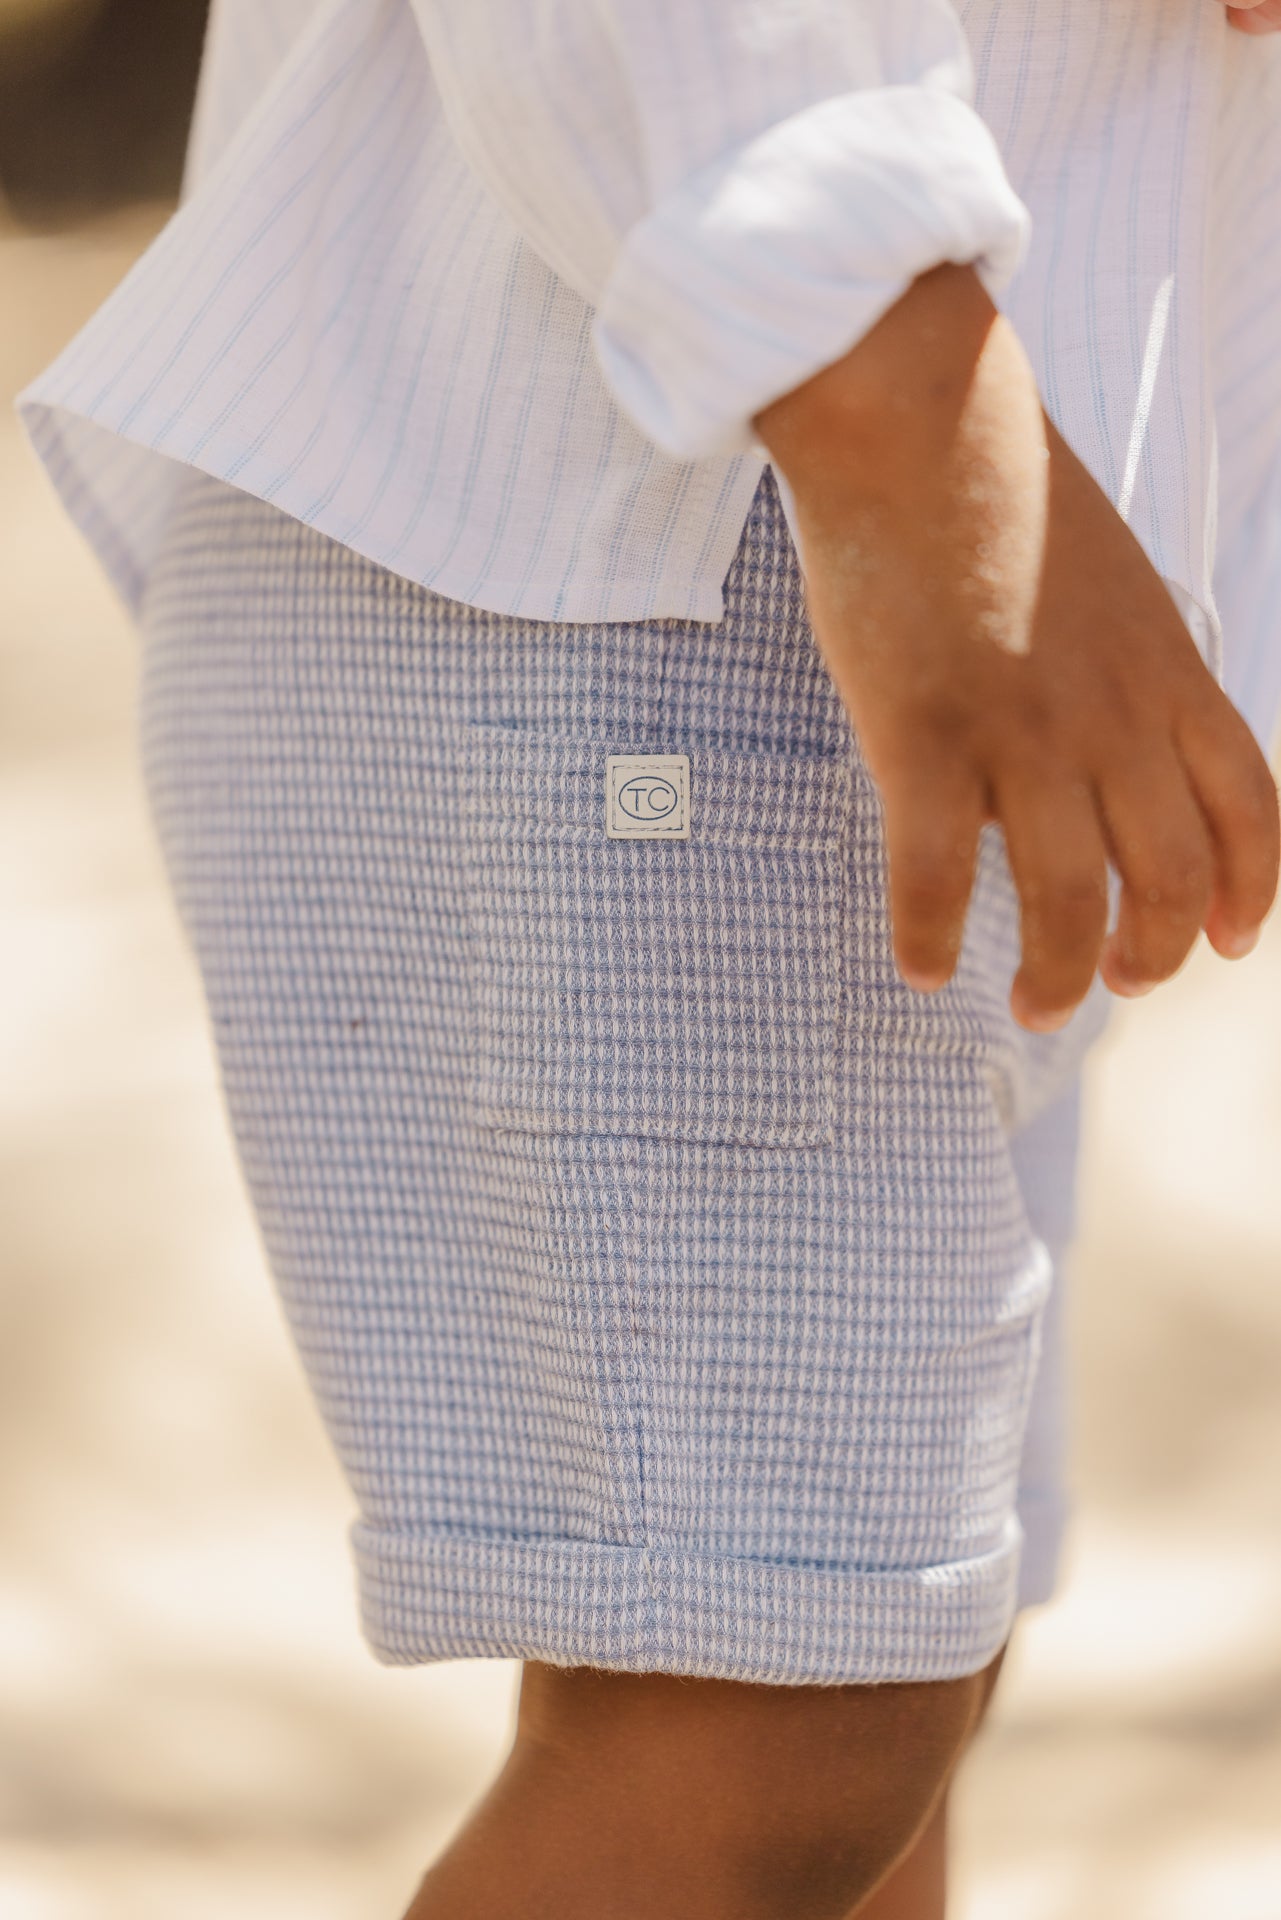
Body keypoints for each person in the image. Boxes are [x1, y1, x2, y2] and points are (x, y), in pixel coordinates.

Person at [18, 1, 1281, 1914]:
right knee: (773, 1713)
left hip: (941, 522)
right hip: (689, 523)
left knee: (876, 1677)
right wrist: (888, 395)